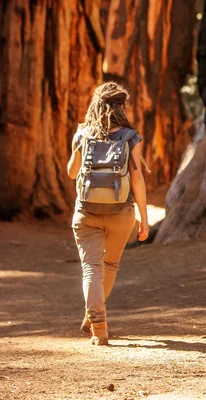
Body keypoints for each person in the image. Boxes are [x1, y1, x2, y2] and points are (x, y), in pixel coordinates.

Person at [67, 82, 149, 345]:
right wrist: (144, 219)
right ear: (121, 107)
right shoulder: (130, 137)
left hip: (86, 212)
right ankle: (94, 316)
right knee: (109, 265)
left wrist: (79, 146)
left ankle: (97, 323)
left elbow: (71, 172)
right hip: (120, 211)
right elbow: (137, 180)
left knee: (91, 268)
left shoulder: (83, 134)